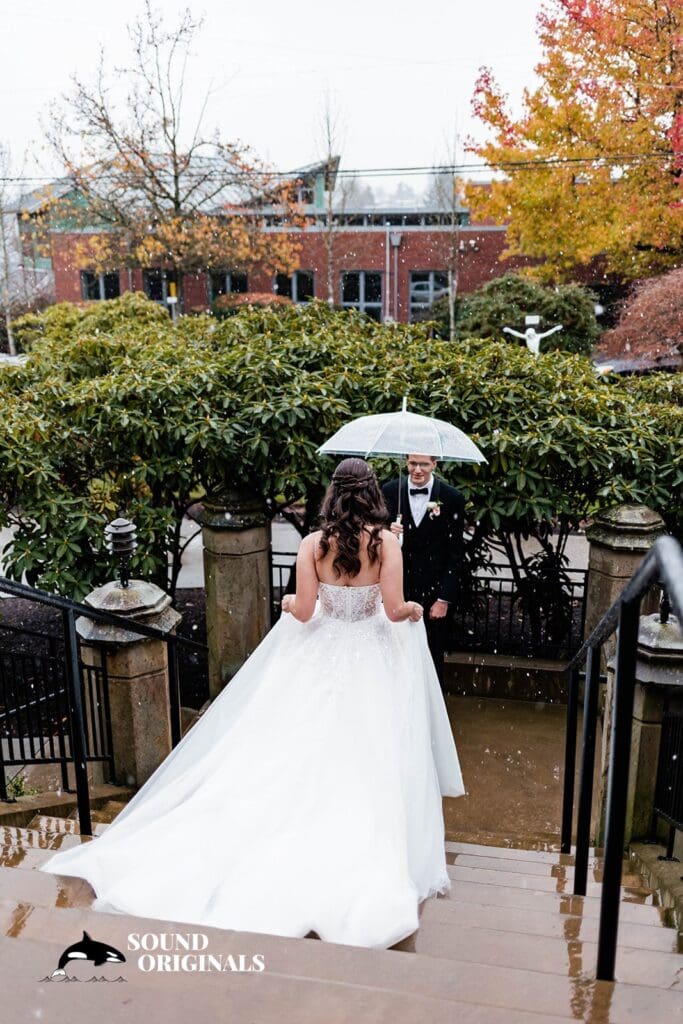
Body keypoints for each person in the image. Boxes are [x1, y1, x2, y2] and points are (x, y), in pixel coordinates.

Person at [39, 458, 464, 951]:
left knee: (291, 749)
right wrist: (415, 609)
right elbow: (394, 609)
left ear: (333, 494)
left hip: (321, 658)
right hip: (370, 660)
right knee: (365, 755)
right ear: (372, 494)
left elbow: (304, 611)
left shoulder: (313, 544)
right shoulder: (386, 543)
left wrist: (287, 605)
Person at [382, 455, 466, 687]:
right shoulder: (389, 491)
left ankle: (430, 713)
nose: (417, 470)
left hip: (433, 594)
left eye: (424, 464)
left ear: (435, 464)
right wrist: (389, 533)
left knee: (431, 655)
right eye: (412, 464)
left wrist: (444, 599)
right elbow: (374, 539)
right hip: (397, 589)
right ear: (406, 462)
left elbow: (456, 553)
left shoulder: (452, 498)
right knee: (394, 650)